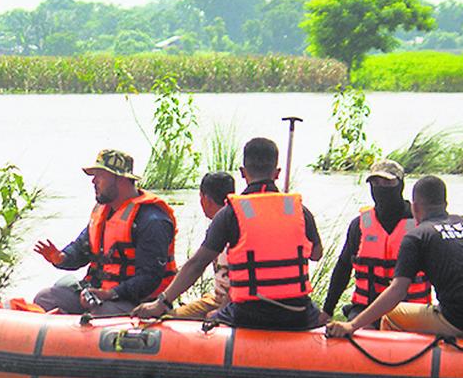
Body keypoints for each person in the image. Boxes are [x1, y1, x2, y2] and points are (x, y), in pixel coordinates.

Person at [135, 137, 325, 329]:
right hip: (297, 313)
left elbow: (197, 264)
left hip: (247, 314)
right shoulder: (299, 210)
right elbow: (316, 254)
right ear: (277, 173)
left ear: (243, 172)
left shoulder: (231, 213)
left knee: (210, 316)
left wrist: (162, 303)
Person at [325, 175, 463, 339]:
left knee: (390, 314)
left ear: (415, 207)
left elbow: (398, 291)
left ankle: (400, 377)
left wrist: (352, 325)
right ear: (445, 203)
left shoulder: (418, 235)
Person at [33, 149, 177, 316]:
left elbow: (149, 279)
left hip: (135, 300)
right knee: (45, 298)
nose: (93, 181)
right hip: (96, 295)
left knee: (102, 312)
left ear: (120, 178)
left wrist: (111, 294)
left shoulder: (152, 220)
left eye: (100, 175)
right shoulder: (103, 213)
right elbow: (81, 248)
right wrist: (61, 258)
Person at [321, 159, 431, 325]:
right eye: (375, 183)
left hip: (412, 309)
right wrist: (327, 310)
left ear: (400, 185)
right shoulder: (359, 225)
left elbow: (442, 271)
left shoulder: (421, 224)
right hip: (366, 309)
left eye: (387, 183)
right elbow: (343, 269)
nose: (380, 188)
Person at [171, 171, 236, 319]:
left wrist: (221, 310)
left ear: (205, 199)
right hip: (218, 298)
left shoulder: (225, 227)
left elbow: (197, 264)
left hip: (228, 302)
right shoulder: (238, 222)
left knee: (170, 318)